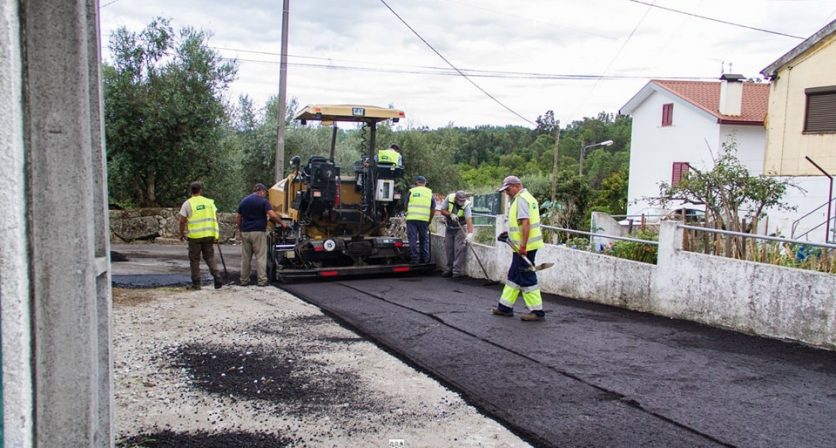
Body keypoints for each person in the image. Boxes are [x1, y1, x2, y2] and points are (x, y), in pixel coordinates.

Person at [491, 176, 545, 321]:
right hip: (526, 246)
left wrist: (522, 246)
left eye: (508, 189)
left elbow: (525, 224)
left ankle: (537, 312)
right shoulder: (529, 198)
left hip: (525, 247)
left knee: (527, 277)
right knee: (514, 276)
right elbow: (522, 225)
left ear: (517, 186)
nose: (507, 193)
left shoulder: (521, 200)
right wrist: (509, 234)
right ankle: (505, 307)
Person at [237, 183, 287, 286]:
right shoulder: (263, 201)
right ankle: (262, 280)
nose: (264, 195)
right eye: (265, 192)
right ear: (261, 191)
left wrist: (240, 229)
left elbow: (238, 217)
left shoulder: (244, 201)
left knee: (246, 258)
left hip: (245, 231)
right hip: (258, 232)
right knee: (260, 257)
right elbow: (272, 215)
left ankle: (244, 280)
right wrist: (282, 223)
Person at [178, 181, 223, 290]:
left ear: (191, 191)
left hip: (195, 236)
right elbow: (215, 217)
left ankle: (196, 284)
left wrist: (181, 233)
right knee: (209, 257)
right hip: (209, 234)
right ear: (201, 190)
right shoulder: (209, 202)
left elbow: (182, 221)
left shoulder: (187, 204)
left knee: (194, 260)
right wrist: (215, 233)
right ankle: (217, 276)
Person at [438, 190, 474, 278]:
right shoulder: (449, 198)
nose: (461, 202)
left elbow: (469, 220)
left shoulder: (466, 205)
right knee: (448, 248)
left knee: (460, 248)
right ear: (455, 199)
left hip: (460, 228)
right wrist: (451, 215)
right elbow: (442, 210)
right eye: (459, 201)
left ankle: (456, 271)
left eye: (463, 201)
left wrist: (470, 233)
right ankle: (449, 269)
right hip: (449, 227)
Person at [404, 175, 435, 264]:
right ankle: (424, 259)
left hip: (411, 219)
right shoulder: (429, 193)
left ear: (416, 183)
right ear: (425, 183)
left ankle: (414, 259)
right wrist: (429, 219)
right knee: (423, 239)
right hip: (424, 219)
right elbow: (433, 209)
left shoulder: (411, 191)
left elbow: (405, 205)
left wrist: (408, 212)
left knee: (412, 239)